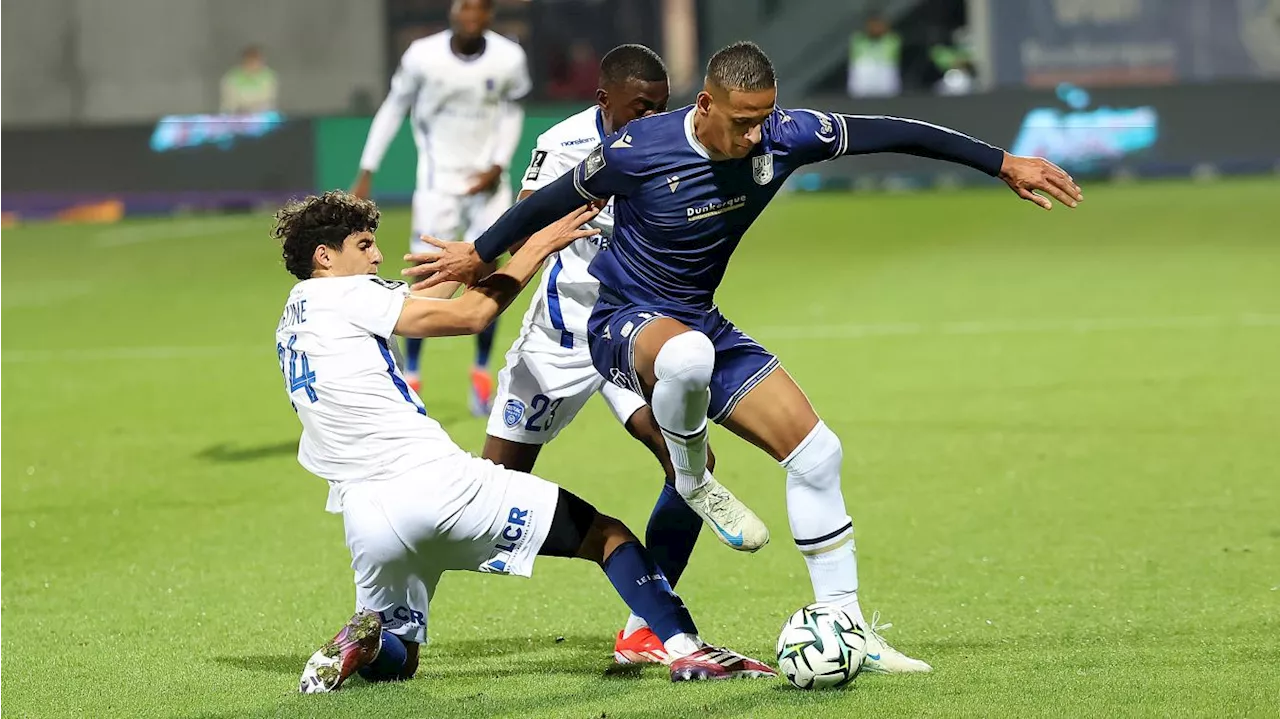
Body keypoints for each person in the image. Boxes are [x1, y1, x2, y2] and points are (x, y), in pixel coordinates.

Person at [400, 41, 1084, 674]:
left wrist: (1002, 162)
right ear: (704, 107)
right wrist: (478, 253)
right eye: (743, 121)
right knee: (519, 471)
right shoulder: (639, 149)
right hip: (617, 322)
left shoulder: (788, 135)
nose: (757, 135)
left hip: (698, 320)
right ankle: (398, 609)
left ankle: (843, 620)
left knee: (817, 452)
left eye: (765, 118)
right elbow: (546, 205)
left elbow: (895, 129)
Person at [272, 191, 775, 693]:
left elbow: (422, 303)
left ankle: (368, 640)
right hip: (435, 484)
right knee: (606, 537)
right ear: (325, 256)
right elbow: (471, 316)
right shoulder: (348, 296)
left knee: (402, 660)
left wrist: (476, 256)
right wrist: (537, 244)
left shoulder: (297, 316)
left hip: (365, 515)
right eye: (364, 245)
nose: (377, 255)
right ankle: (689, 650)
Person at [485, 44, 720, 667]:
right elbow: (525, 222)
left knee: (689, 462)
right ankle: (397, 616)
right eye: (640, 107)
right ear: (603, 101)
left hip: (628, 332)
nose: (652, 120)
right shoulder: (562, 144)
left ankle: (647, 624)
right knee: (486, 495)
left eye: (662, 107)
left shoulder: (676, 140)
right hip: (556, 342)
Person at [352, 0, 529, 415]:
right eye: (463, 6)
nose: (470, 14)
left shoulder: (509, 57)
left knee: (488, 272)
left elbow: (512, 111)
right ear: (452, 11)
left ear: (489, 15)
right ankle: (411, 375)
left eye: (478, 8)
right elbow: (393, 108)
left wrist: (499, 164)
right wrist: (366, 169)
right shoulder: (422, 57)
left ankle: (481, 373)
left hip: (490, 187)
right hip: (438, 187)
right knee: (427, 279)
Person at [220, 46, 278, 114]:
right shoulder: (231, 77)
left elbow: (268, 101)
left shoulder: (269, 77)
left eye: (257, 61)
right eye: (250, 61)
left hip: (261, 116)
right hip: (237, 117)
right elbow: (229, 103)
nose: (253, 65)